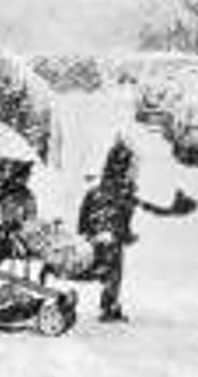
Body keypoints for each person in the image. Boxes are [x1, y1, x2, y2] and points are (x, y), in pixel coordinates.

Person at [77, 137, 140, 323]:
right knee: (113, 269)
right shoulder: (123, 191)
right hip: (108, 235)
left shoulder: (99, 189)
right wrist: (126, 235)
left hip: (95, 233)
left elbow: (83, 217)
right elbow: (124, 218)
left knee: (110, 265)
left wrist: (85, 232)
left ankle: (109, 303)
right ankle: (109, 306)